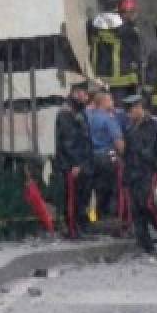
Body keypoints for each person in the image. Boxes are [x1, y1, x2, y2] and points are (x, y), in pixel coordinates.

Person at [121, 94, 157, 253]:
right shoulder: (130, 128)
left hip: (149, 169)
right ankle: (144, 242)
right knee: (136, 207)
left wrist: (156, 152)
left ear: (140, 108)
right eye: (129, 111)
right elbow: (128, 153)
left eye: (132, 109)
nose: (130, 113)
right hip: (133, 171)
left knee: (148, 204)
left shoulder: (154, 123)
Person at [53, 84, 92, 238]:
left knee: (80, 197)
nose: (86, 97)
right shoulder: (67, 112)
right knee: (72, 197)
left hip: (81, 162)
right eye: (84, 94)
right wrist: (75, 163)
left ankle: (79, 226)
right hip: (70, 164)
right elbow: (69, 141)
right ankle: (72, 229)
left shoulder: (78, 111)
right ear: (76, 93)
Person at [88, 0, 143, 98]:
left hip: (98, 77)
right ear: (126, 12)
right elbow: (137, 57)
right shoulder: (129, 31)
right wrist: (140, 79)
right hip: (122, 81)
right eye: (132, 12)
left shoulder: (93, 25)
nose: (134, 16)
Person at [86, 90, 126, 220]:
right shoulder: (109, 119)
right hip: (108, 157)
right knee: (113, 187)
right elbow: (119, 143)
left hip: (91, 156)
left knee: (96, 189)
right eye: (111, 100)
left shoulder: (89, 116)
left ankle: (94, 217)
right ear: (103, 102)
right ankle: (110, 217)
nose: (113, 103)